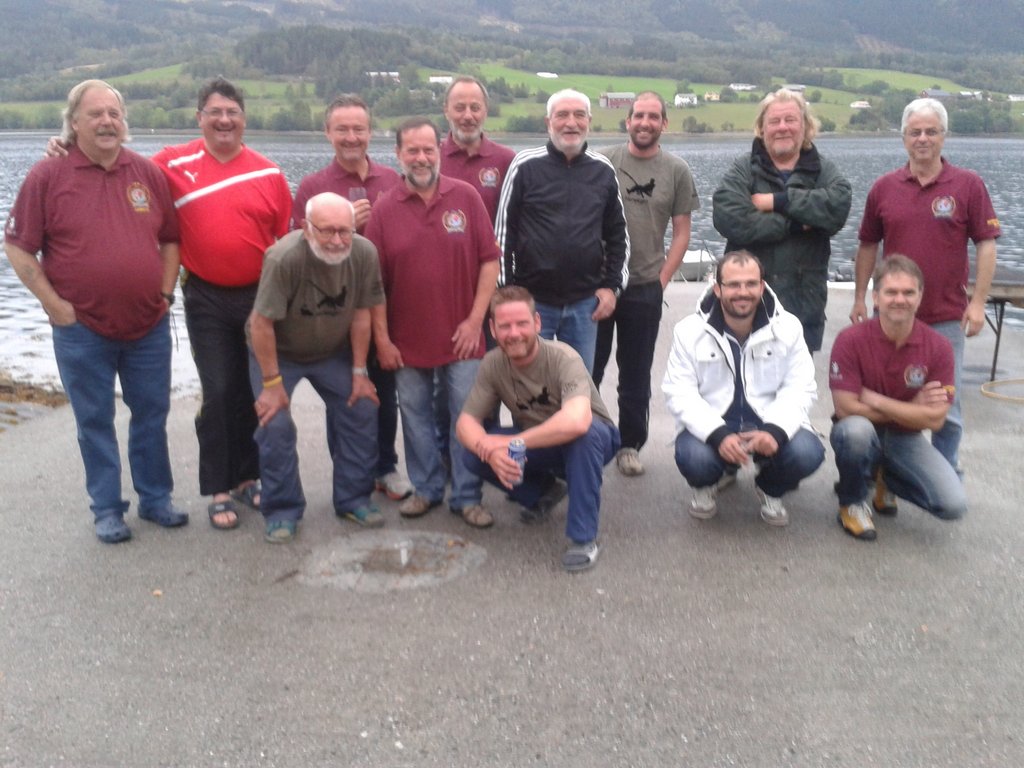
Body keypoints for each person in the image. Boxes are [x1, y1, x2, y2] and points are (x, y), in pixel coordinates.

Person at [4, 79, 187, 543]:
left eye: (114, 113)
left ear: (124, 121)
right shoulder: (48, 176)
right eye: (95, 114)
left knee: (152, 414)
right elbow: (18, 247)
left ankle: (156, 498)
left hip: (148, 324)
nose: (107, 122)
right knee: (94, 420)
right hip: (81, 328)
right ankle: (107, 509)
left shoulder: (147, 173)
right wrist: (54, 306)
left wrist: (166, 295)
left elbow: (170, 239)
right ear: (74, 123)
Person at [152, 77, 293, 530]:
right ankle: (218, 487)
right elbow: (120, 170)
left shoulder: (269, 173)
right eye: (215, 112)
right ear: (200, 118)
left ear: (244, 119)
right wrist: (64, 147)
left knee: (253, 390)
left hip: (259, 298)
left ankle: (249, 477)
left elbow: (284, 242)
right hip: (206, 297)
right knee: (218, 392)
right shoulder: (172, 163)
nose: (224, 120)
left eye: (232, 112)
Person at [850, 97, 1000, 473]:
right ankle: (885, 476)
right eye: (915, 132)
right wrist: (860, 298)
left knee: (946, 404)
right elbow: (867, 245)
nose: (923, 139)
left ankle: (946, 475)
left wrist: (978, 302)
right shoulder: (883, 188)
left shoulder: (968, 185)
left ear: (943, 136)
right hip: (893, 317)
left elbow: (986, 244)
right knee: (887, 396)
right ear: (903, 138)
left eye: (931, 131)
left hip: (946, 317)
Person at [364, 118, 500, 529]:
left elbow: (489, 262)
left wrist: (476, 321)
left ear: (438, 151)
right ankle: (426, 489)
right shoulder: (384, 209)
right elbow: (373, 285)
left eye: (428, 149)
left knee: (466, 417)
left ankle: (467, 496)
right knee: (416, 418)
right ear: (398, 155)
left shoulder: (466, 196)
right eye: (412, 150)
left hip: (464, 337)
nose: (421, 158)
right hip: (407, 341)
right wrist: (383, 340)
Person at [290, 94, 412, 503]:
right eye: (341, 129)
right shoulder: (313, 187)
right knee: (342, 396)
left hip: (385, 305)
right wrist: (347, 226)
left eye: (358, 128)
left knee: (383, 392)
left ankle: (385, 467)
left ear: (370, 132)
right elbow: (300, 251)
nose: (351, 137)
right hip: (336, 311)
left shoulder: (392, 180)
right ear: (328, 133)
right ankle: (349, 473)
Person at [248, 193, 384, 543]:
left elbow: (362, 314)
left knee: (362, 406)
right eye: (327, 231)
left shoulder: (364, 253)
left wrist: (359, 373)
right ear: (306, 228)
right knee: (274, 423)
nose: (337, 240)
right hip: (279, 354)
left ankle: (353, 499)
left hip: (331, 352)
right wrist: (272, 385)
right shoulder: (283, 257)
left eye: (344, 231)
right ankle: (282, 510)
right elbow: (261, 324)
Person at [457, 286, 621, 572]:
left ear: (536, 323)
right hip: (540, 443)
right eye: (505, 326)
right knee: (472, 452)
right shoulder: (493, 364)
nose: (514, 333)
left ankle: (583, 539)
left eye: (522, 323)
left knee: (585, 437)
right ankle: (544, 492)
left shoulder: (563, 357)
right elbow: (465, 423)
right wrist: (489, 450)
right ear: (493, 330)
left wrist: (508, 444)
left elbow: (577, 421)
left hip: (593, 441)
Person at [662, 250, 824, 526]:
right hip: (716, 424)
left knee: (807, 453)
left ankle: (770, 487)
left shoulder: (789, 328)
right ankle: (711, 479)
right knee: (694, 459)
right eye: (734, 284)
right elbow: (679, 391)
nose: (743, 292)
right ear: (717, 288)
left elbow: (800, 387)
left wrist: (775, 430)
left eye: (751, 284)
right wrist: (718, 434)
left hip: (767, 422)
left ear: (762, 286)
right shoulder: (688, 331)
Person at [595, 91, 701, 477]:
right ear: (628, 121)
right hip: (599, 286)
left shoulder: (676, 170)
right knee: (587, 369)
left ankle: (629, 445)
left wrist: (662, 279)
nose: (645, 122)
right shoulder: (603, 161)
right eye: (638, 115)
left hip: (644, 287)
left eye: (653, 116)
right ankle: (586, 438)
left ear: (664, 124)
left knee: (636, 375)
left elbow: (682, 232)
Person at [830, 255, 966, 541]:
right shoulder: (850, 339)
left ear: (920, 297)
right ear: (876, 298)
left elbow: (936, 419)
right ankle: (852, 502)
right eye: (891, 292)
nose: (900, 300)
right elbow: (845, 408)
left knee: (953, 505)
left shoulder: (939, 347)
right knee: (855, 431)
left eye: (908, 292)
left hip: (906, 437)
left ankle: (887, 479)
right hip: (865, 429)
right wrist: (912, 408)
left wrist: (876, 400)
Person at [494, 88, 629, 373]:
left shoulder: (603, 170)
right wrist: (507, 294)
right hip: (532, 302)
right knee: (528, 386)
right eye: (562, 115)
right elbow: (503, 235)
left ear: (589, 121)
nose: (571, 123)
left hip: (584, 305)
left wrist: (612, 288)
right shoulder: (524, 166)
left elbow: (619, 236)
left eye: (579, 115)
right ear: (548, 122)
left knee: (578, 385)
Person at [712, 88, 851, 354]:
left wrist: (778, 201)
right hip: (747, 310)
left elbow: (837, 206)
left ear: (805, 126)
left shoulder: (823, 170)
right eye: (774, 121)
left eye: (790, 120)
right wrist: (796, 224)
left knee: (797, 382)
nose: (782, 127)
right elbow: (728, 218)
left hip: (804, 309)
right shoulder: (743, 170)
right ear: (762, 128)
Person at [441, 76, 517, 224]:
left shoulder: (507, 160)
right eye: (460, 108)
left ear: (485, 111)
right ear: (446, 111)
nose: (468, 116)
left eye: (475, 108)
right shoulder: (431, 160)